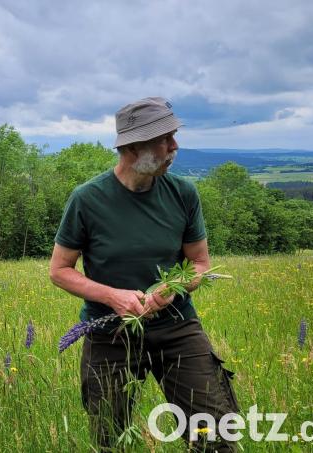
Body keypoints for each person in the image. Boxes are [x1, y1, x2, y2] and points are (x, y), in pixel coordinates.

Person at [49, 98, 238, 452]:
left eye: (174, 136)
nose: (174, 146)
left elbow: (199, 263)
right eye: (165, 138)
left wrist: (175, 285)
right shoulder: (87, 199)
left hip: (178, 328)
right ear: (134, 146)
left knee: (215, 436)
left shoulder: (183, 194)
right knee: (110, 440)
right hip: (109, 334)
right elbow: (59, 271)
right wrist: (112, 296)